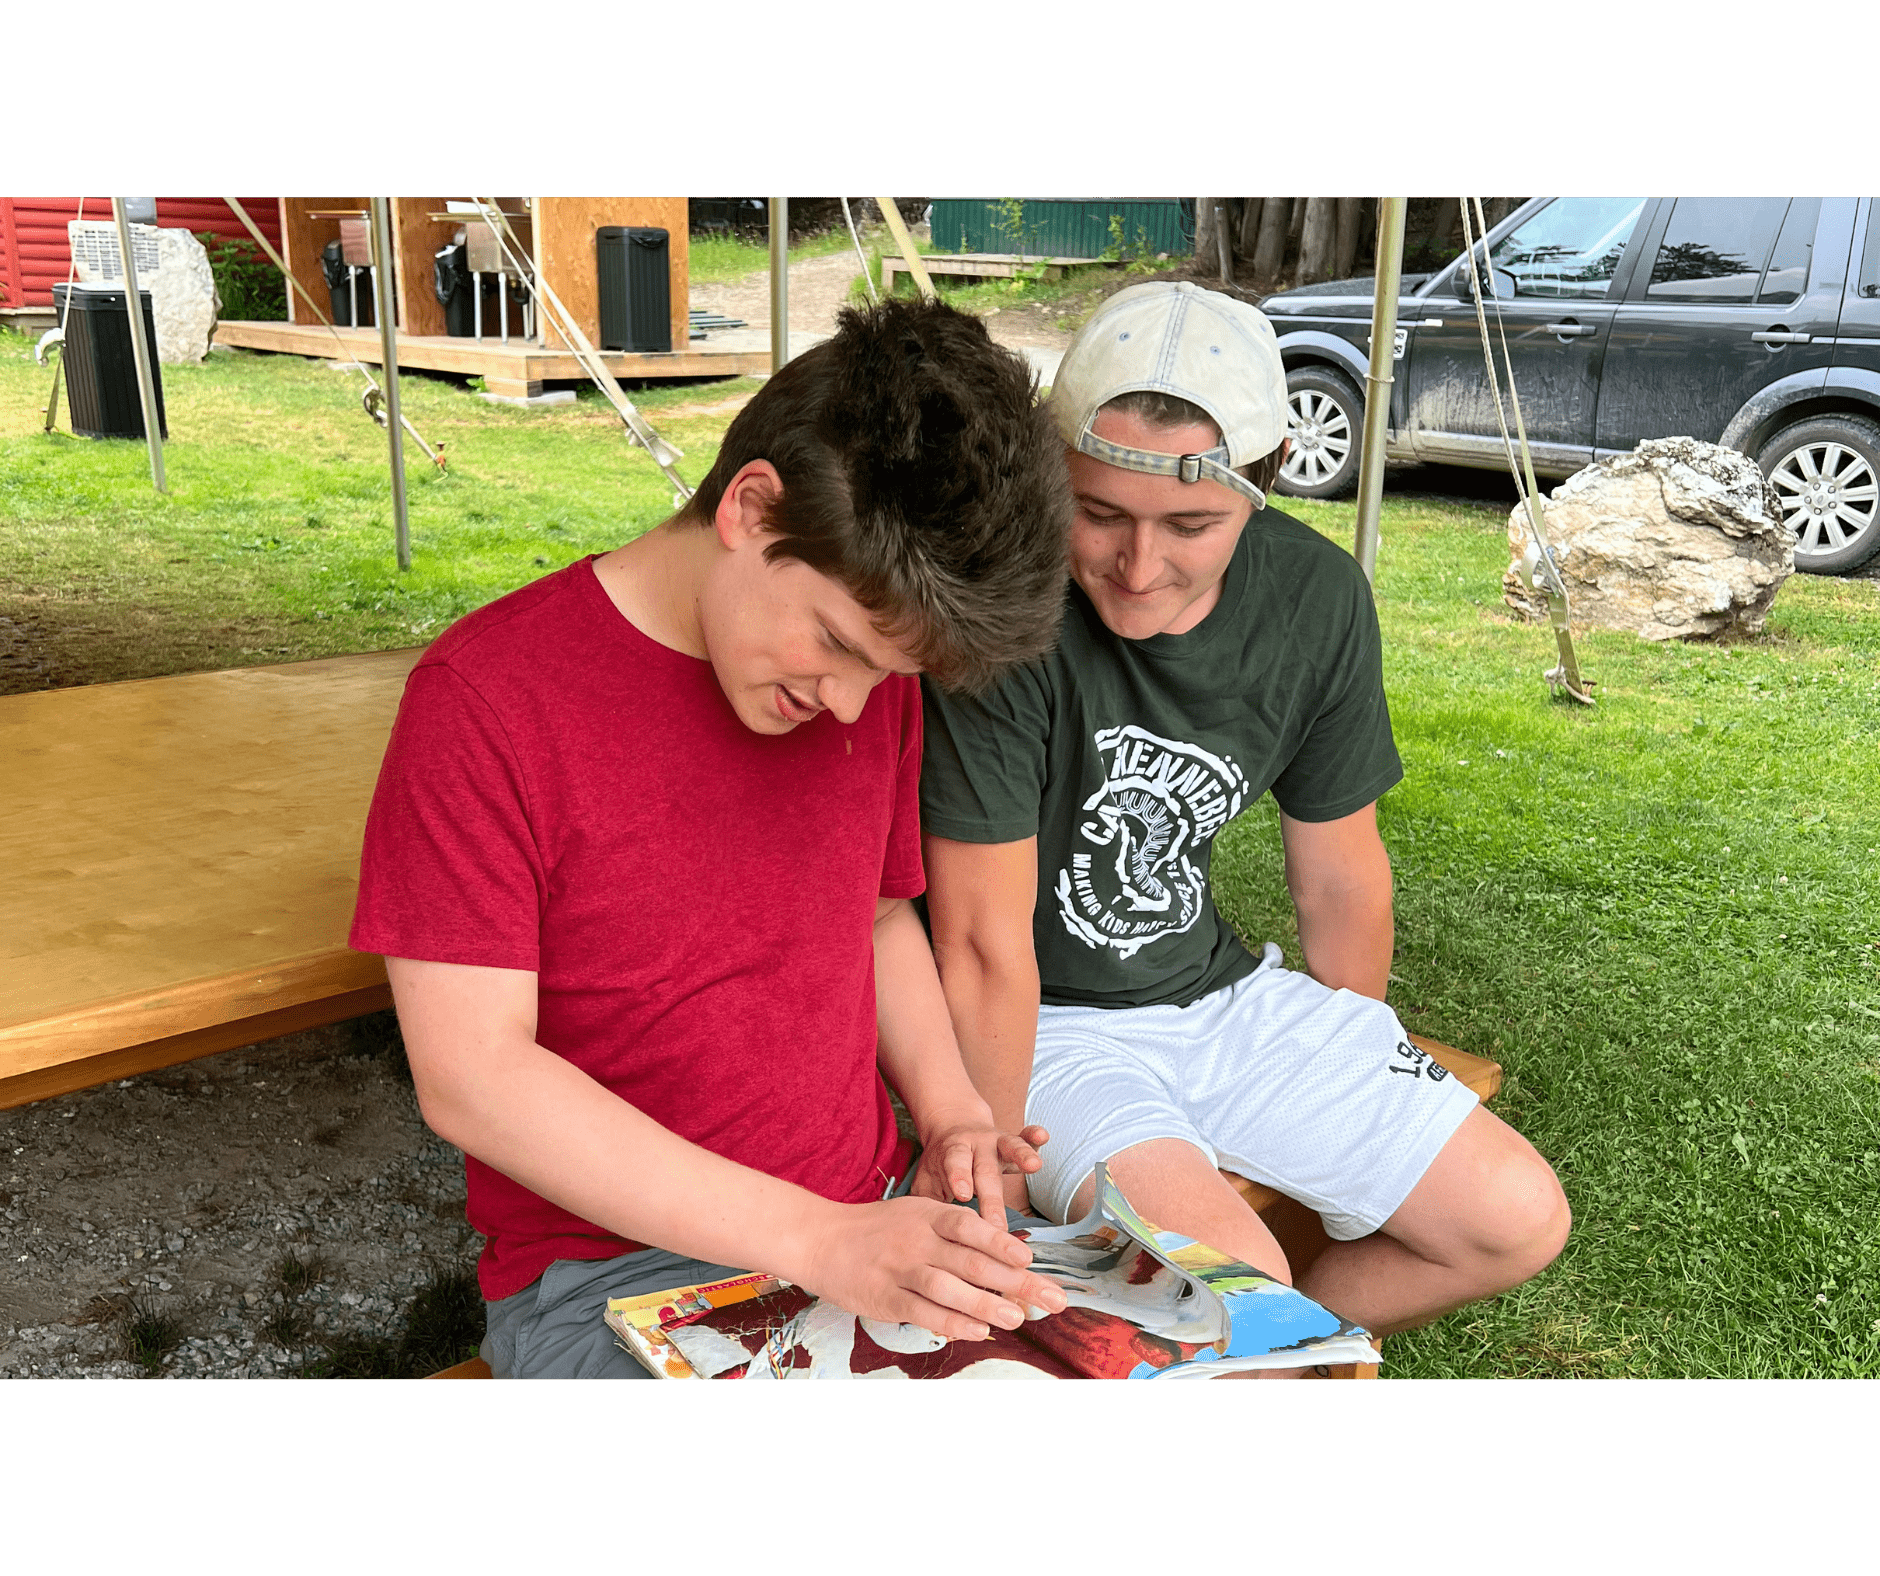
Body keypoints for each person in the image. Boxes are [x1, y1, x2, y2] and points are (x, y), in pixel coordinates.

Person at [350, 298, 1076, 1378]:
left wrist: (949, 1106)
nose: (846, 705)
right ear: (748, 506)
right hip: (610, 1281)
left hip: (864, 1220)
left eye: (885, 672)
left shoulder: (863, 686)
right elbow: (472, 1076)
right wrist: (812, 1238)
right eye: (835, 644)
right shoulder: (487, 701)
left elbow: (875, 916)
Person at [920, 282, 1569, 1359]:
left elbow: (1339, 878)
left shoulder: (1315, 599)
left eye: (1189, 524)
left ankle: (1257, 1353)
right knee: (1235, 1289)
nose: (1137, 566)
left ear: (1260, 489)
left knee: (1513, 1218)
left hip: (1219, 994)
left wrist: (1344, 1060)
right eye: (1098, 512)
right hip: (1049, 1032)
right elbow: (983, 944)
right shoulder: (1008, 600)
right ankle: (1236, 1351)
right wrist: (987, 1170)